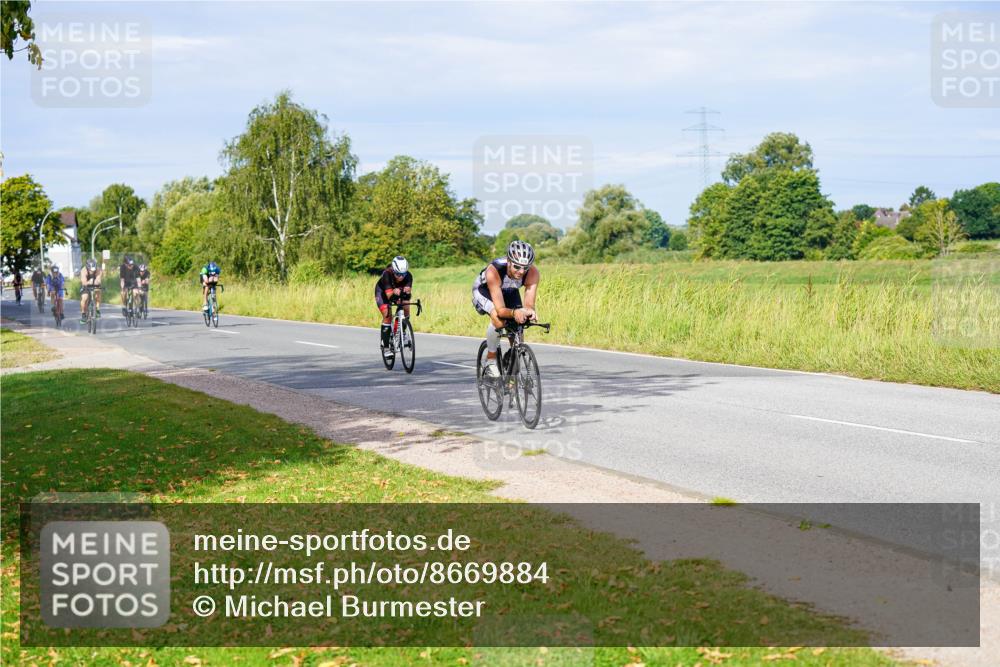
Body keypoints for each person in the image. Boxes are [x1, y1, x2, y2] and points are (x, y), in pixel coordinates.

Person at [471, 240, 540, 378]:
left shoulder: (532, 273)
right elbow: (501, 310)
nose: (521, 271)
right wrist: (514, 312)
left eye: (525, 267)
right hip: (485, 290)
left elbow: (529, 305)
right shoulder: (494, 270)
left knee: (518, 327)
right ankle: (490, 361)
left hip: (509, 291)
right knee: (499, 319)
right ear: (509, 261)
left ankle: (512, 362)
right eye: (517, 266)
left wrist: (529, 311)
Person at [375, 256, 412, 355]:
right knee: (387, 315)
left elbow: (407, 295)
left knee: (406, 305)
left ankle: (401, 331)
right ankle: (386, 346)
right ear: (393, 270)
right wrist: (395, 292)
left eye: (403, 274)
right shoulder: (387, 274)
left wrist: (405, 293)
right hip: (383, 293)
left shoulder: (409, 276)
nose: (401, 277)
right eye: (398, 274)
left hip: (396, 292)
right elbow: (390, 297)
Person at [79, 258, 102, 323]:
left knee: (98, 291)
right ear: (87, 267)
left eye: (93, 270)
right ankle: (83, 314)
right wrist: (89, 282)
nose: (92, 271)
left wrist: (96, 282)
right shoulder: (84, 270)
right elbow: (84, 282)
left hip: (94, 283)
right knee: (84, 297)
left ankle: (97, 309)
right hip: (86, 284)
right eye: (91, 270)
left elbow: (98, 280)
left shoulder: (98, 270)